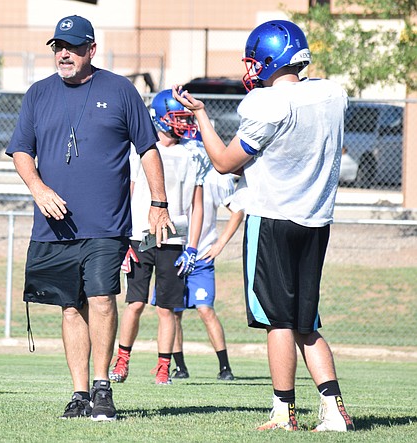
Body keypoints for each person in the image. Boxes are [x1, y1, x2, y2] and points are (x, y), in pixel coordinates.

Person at [172, 20, 354, 432]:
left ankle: (283, 411)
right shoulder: (331, 94)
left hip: (273, 218)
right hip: (316, 221)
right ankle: (334, 410)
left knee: (279, 322)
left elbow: (223, 162)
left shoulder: (267, 104)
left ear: (270, 58)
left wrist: (201, 116)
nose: (251, 68)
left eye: (256, 59)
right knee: (307, 322)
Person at [6, 15, 173, 421]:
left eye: (73, 46)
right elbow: (21, 151)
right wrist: (39, 189)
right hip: (54, 225)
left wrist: (159, 202)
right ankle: (79, 393)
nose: (64, 53)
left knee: (101, 299)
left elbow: (148, 148)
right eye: (58, 46)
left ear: (90, 49)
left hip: (105, 223)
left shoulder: (120, 91)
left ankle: (102, 387)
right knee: (69, 307)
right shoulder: (39, 93)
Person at [109, 89, 207, 385]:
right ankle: (122, 360)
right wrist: (124, 237)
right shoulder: (143, 148)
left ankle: (163, 367)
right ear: (161, 118)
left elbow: (196, 204)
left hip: (174, 239)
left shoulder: (194, 154)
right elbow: (130, 193)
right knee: (135, 304)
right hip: (141, 236)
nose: (185, 123)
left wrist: (192, 246)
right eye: (179, 117)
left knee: (167, 309)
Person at [171, 167, 244, 382]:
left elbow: (237, 211)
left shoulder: (215, 176)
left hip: (201, 258)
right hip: (173, 255)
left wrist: (219, 244)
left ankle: (225, 367)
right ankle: (179, 366)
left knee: (205, 310)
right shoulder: (174, 164)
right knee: (172, 312)